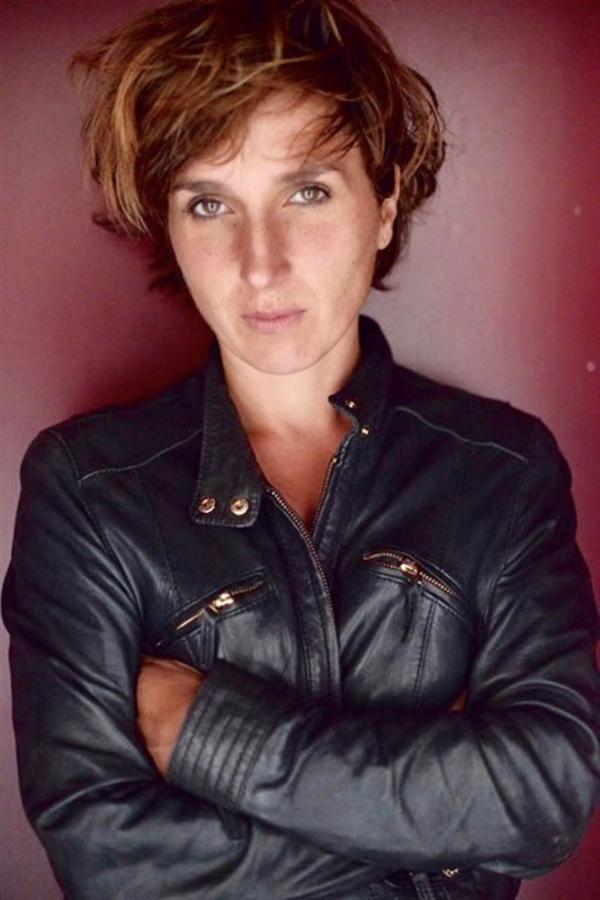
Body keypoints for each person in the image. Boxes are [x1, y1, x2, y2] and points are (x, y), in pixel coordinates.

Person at [2, 1, 598, 898]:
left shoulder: (500, 470)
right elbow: (107, 860)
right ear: (170, 227)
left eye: (308, 191)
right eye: (210, 204)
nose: (260, 263)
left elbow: (546, 796)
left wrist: (205, 732)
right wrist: (445, 829)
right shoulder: (89, 489)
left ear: (384, 205)